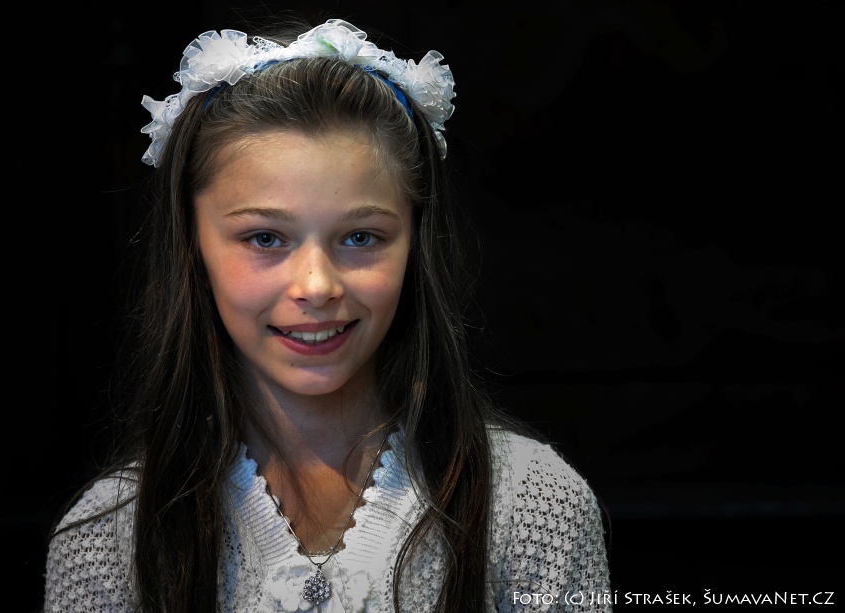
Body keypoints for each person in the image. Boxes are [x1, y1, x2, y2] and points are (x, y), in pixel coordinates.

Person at [44, 14, 612, 613]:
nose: (316, 286)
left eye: (361, 237)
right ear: (193, 246)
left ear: (416, 243)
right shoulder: (108, 540)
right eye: (265, 238)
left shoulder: (531, 505)